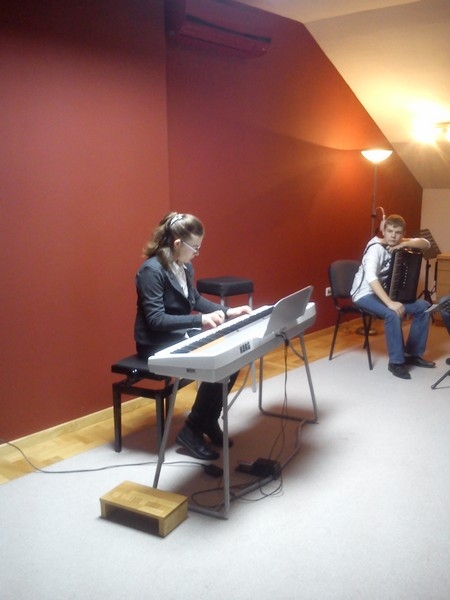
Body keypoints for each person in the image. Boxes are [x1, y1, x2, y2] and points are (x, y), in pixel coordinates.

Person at [134, 212, 252, 459]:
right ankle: (192, 429)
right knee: (217, 359)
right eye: (195, 247)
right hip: (155, 343)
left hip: (180, 334)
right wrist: (199, 320)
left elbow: (195, 300)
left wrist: (228, 311)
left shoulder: (184, 266)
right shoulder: (151, 271)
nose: (197, 253)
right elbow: (156, 320)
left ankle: (206, 420)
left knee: (231, 357)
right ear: (177, 244)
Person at [351, 214, 435, 380]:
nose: (393, 236)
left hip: (383, 293)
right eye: (389, 231)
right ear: (383, 230)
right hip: (364, 294)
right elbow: (371, 278)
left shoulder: (399, 243)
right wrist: (390, 303)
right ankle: (396, 362)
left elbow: (426, 244)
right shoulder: (375, 248)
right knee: (392, 313)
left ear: (403, 233)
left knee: (423, 307)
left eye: (397, 233)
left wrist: (405, 243)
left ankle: (412, 354)